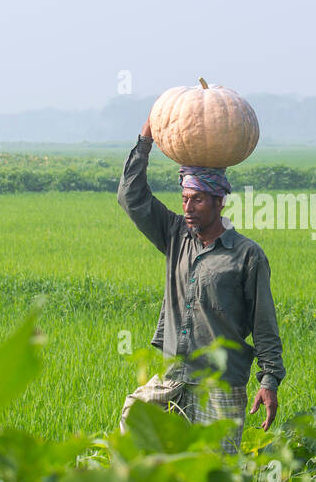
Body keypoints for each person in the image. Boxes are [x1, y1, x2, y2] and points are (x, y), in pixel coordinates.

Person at [117, 116, 284, 452]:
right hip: (174, 377)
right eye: (184, 198)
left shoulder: (247, 255)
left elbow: (263, 324)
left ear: (219, 201)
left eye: (198, 200)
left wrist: (269, 381)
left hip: (219, 386)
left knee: (216, 476)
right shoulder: (175, 235)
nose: (188, 208)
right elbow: (130, 197)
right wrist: (145, 137)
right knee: (134, 424)